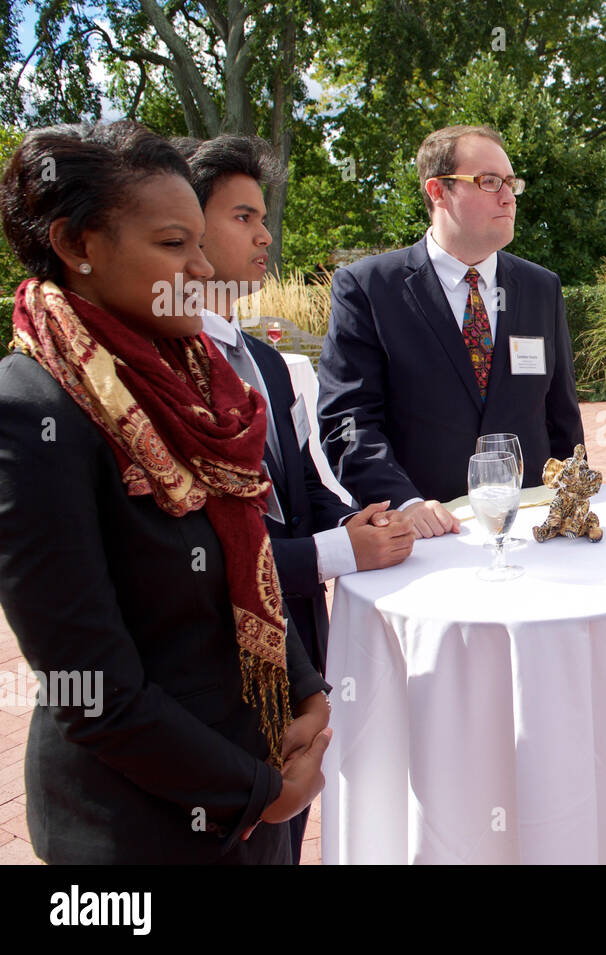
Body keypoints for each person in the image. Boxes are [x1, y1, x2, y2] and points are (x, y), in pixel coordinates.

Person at [0, 122, 331, 864]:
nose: (204, 268)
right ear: (78, 244)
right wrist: (254, 791)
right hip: (142, 826)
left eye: (200, 245)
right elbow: (92, 690)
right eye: (175, 245)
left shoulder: (197, 383)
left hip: (260, 783)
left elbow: (249, 561)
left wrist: (307, 691)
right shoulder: (33, 411)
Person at [180, 134, 414, 863]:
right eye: (243, 217)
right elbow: (197, 547)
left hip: (296, 658)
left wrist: (354, 520)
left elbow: (303, 487)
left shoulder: (269, 363)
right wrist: (340, 551)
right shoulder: (161, 376)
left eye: (262, 216)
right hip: (214, 672)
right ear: (184, 226)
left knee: (281, 842)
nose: (265, 234)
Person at [316, 124, 584, 538]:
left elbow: (561, 416)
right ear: (438, 191)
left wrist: (572, 502)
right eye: (489, 181)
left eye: (511, 182)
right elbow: (349, 421)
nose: (508, 196)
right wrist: (405, 503)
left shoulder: (540, 287)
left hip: (529, 529)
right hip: (421, 537)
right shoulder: (368, 287)